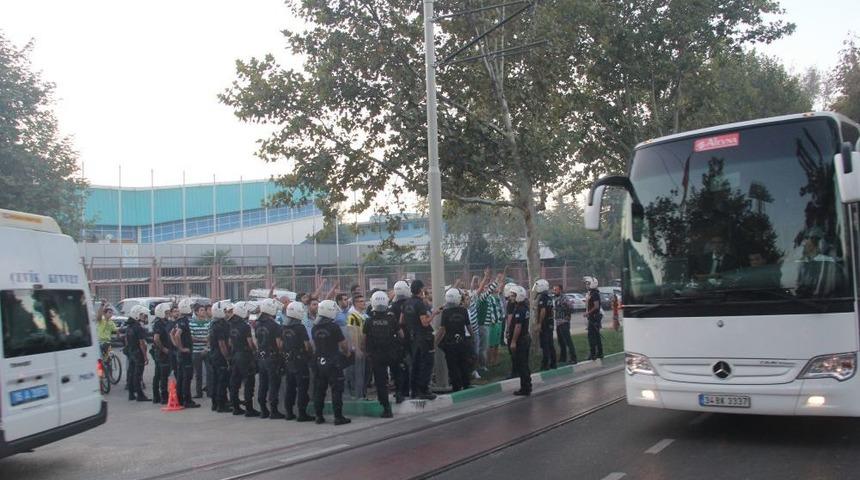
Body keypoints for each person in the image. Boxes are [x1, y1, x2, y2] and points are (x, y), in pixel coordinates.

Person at [363, 290, 403, 417]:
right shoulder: (392, 318)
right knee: (397, 374)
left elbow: (364, 340)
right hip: (391, 353)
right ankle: (399, 395)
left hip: (376, 355)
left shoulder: (368, 321)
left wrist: (366, 352)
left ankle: (386, 408)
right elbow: (401, 334)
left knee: (381, 382)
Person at [312, 299, 352, 425]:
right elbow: (343, 344)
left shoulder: (315, 327)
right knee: (336, 389)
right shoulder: (334, 327)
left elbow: (314, 345)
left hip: (319, 361)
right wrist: (347, 353)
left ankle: (318, 416)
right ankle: (338, 416)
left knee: (320, 390)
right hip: (333, 362)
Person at [402, 280, 437, 400]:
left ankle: (414, 390)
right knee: (426, 364)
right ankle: (423, 390)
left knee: (415, 364)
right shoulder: (419, 304)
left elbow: (401, 321)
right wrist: (434, 314)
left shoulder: (406, 303)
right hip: (423, 338)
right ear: (421, 289)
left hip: (412, 337)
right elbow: (425, 323)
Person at [435, 288, 474, 392]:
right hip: (462, 341)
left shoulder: (446, 312)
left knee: (453, 366)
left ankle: (457, 386)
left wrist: (435, 342)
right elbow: (469, 326)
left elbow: (442, 329)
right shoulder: (463, 310)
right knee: (463, 363)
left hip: (450, 342)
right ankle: (466, 383)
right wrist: (472, 337)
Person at [282, 300, 314, 422]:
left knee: (290, 387)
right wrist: (310, 355)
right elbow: (307, 345)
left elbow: (280, 344)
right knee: (302, 388)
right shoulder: (300, 327)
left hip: (288, 359)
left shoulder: (284, 327)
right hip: (300, 360)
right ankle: (302, 413)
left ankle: (289, 413)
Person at [229, 301, 260, 417]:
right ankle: (249, 408)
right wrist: (254, 350)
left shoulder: (231, 325)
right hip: (245, 355)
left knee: (235, 382)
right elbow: (250, 342)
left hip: (235, 354)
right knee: (248, 382)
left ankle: (236, 407)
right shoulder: (245, 326)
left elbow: (230, 342)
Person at [255, 298, 285, 419]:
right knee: (273, 384)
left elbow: (257, 341)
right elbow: (279, 344)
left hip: (261, 356)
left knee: (263, 384)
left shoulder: (257, 324)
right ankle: (273, 410)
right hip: (272, 357)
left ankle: (263, 410)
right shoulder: (275, 325)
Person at [171, 298, 200, 408]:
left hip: (181, 354)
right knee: (186, 377)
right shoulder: (183, 321)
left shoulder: (179, 321)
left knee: (181, 377)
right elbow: (177, 335)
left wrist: (177, 346)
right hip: (185, 354)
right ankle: (187, 400)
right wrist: (182, 348)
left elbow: (171, 334)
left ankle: (180, 399)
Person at [209, 300, 233, 413]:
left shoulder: (213, 323)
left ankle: (215, 403)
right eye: (225, 310)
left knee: (215, 380)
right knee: (222, 381)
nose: (227, 312)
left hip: (213, 354)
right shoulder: (221, 325)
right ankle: (221, 404)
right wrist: (227, 357)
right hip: (220, 356)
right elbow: (222, 344)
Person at [390, 280, 411, 402]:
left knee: (400, 366)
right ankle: (408, 389)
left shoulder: (393, 306)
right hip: (410, 338)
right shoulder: (410, 304)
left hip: (398, 340)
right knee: (409, 365)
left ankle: (401, 390)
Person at [509, 286, 532, 396]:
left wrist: (513, 341)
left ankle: (525, 387)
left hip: (521, 340)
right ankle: (527, 385)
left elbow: (518, 326)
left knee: (522, 364)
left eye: (513, 295)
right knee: (524, 364)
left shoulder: (519, 309)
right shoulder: (524, 307)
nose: (511, 297)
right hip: (525, 338)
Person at [125, 305, 150, 402]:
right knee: (138, 374)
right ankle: (140, 395)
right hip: (137, 353)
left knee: (131, 373)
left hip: (131, 352)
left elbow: (126, 339)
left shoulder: (129, 326)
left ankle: (131, 394)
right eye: (142, 315)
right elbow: (142, 343)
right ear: (137, 315)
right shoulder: (138, 327)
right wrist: (145, 356)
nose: (144, 316)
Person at [150, 302, 173, 405]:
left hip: (165, 352)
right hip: (161, 353)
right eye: (166, 312)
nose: (168, 314)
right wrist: (163, 349)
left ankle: (157, 396)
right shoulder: (158, 323)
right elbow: (156, 338)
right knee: (161, 375)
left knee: (161, 374)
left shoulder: (166, 322)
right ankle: (162, 396)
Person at [346, 294, 368, 399]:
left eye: (364, 301)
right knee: (357, 374)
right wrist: (357, 348)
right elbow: (351, 332)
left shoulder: (363, 315)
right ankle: (357, 395)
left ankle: (361, 394)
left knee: (363, 374)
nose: (363, 303)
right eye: (360, 301)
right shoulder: (352, 316)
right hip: (357, 349)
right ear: (355, 304)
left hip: (363, 348)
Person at [534, 278, 557, 370]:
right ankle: (553, 363)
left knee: (545, 345)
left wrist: (539, 323)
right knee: (550, 343)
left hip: (545, 324)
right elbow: (551, 311)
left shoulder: (542, 298)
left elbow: (543, 311)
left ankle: (545, 365)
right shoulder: (549, 297)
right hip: (550, 323)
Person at [189, 304, 210, 399]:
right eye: (201, 310)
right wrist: (203, 340)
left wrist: (206, 347)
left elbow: (210, 337)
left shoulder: (208, 323)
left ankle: (210, 391)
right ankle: (198, 392)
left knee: (210, 372)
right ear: (196, 312)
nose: (204, 312)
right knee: (198, 373)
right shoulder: (192, 323)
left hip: (206, 350)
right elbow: (192, 338)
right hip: (196, 351)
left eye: (204, 310)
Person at [552, 284, 577, 364]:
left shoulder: (564, 298)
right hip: (558, 323)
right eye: (554, 289)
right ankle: (563, 358)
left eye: (556, 289)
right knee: (561, 341)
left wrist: (568, 316)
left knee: (568, 341)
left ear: (560, 290)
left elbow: (571, 308)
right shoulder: (556, 298)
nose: (554, 291)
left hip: (564, 322)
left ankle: (573, 358)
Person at [583, 276, 604, 361]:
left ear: (592, 284)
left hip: (594, 318)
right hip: (593, 317)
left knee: (591, 336)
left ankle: (593, 354)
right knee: (596, 336)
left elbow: (596, 306)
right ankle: (599, 353)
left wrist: (588, 313)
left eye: (588, 283)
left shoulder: (594, 293)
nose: (586, 285)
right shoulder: (591, 293)